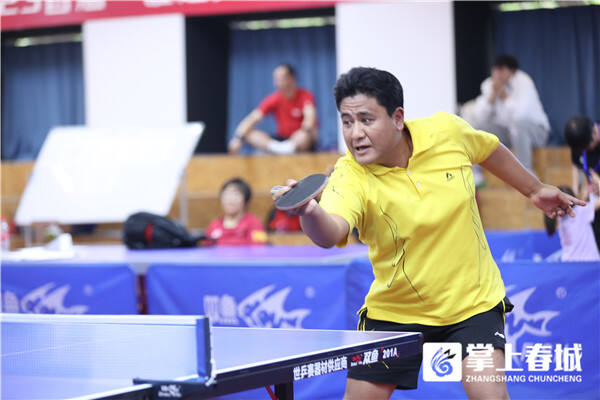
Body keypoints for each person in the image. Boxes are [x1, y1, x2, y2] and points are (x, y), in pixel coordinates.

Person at [272, 67, 584, 400]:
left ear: (397, 118)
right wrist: (309, 212)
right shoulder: (349, 175)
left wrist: (533, 188)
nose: (355, 133)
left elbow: (489, 149)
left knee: (491, 396)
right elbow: (330, 231)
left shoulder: (446, 132)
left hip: (471, 304)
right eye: (347, 122)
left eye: (366, 120)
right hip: (395, 312)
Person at [467, 55, 550, 172]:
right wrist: (492, 97)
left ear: (512, 71)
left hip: (536, 131)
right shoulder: (489, 84)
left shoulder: (524, 82)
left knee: (517, 126)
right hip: (509, 132)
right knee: (478, 129)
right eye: (495, 70)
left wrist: (504, 97)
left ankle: (525, 172)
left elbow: (520, 116)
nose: (497, 74)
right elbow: (480, 117)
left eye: (501, 70)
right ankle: (476, 174)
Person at [228, 64, 318, 155]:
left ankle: (288, 149)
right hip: (281, 140)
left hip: (299, 139)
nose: (279, 82)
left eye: (282, 78)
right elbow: (253, 118)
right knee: (249, 134)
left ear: (292, 78)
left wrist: (305, 131)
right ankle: (281, 150)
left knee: (305, 135)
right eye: (276, 79)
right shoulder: (274, 99)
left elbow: (310, 117)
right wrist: (237, 138)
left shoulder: (305, 96)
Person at [564, 116, 600, 248]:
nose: (585, 151)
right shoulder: (579, 143)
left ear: (595, 132)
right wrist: (576, 191)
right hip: (594, 200)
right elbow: (577, 165)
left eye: (587, 148)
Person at [544, 184, 600, 262]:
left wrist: (586, 194)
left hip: (569, 262)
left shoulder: (560, 217)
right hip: (588, 261)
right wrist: (597, 179)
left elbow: (581, 203)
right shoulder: (581, 212)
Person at [206, 178, 267, 246]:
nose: (230, 199)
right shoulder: (214, 225)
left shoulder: (255, 223)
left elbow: (260, 248)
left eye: (235, 194)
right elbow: (206, 249)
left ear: (245, 199)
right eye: (226, 194)